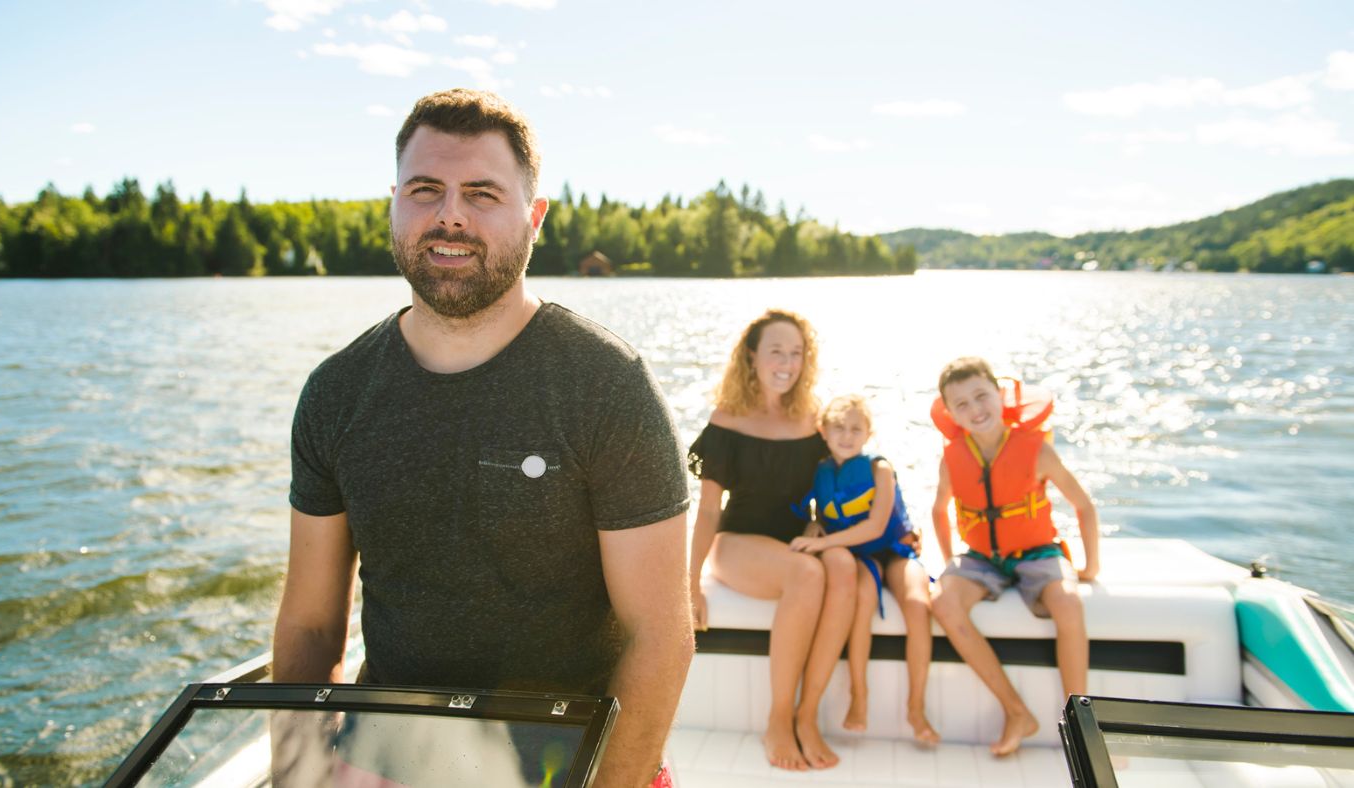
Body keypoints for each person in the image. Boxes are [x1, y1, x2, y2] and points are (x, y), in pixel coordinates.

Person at [272, 88, 694, 788]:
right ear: (394, 203)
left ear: (534, 217)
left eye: (482, 194)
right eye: (426, 189)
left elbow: (660, 635)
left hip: (569, 763)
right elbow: (312, 627)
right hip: (390, 762)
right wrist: (299, 774)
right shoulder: (335, 393)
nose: (450, 216)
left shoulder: (606, 385)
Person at [687, 309, 854, 771]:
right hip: (737, 542)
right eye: (776, 351)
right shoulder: (728, 419)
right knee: (806, 571)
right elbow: (706, 510)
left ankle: (807, 714)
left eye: (796, 353)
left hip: (795, 544)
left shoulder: (814, 421)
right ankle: (778, 718)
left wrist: (825, 526)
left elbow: (838, 487)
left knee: (841, 567)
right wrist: (691, 582)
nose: (786, 362)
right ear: (753, 356)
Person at [928, 357, 1100, 757]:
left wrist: (1091, 567)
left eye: (981, 396)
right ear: (950, 413)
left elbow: (1083, 506)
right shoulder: (952, 457)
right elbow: (939, 510)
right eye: (962, 404)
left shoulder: (1036, 450)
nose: (975, 409)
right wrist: (949, 559)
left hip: (1037, 552)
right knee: (944, 602)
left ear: (1000, 395)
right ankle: (1016, 711)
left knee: (1070, 604)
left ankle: (1080, 723)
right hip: (981, 557)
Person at [787, 394, 939, 745]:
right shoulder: (821, 471)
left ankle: (916, 708)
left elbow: (875, 526)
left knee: (918, 604)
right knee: (862, 600)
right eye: (838, 427)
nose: (846, 435)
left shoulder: (878, 467)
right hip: (859, 557)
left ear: (868, 433)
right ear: (823, 431)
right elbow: (808, 512)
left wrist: (822, 544)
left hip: (895, 550)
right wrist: (813, 526)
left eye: (856, 428)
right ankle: (859, 695)